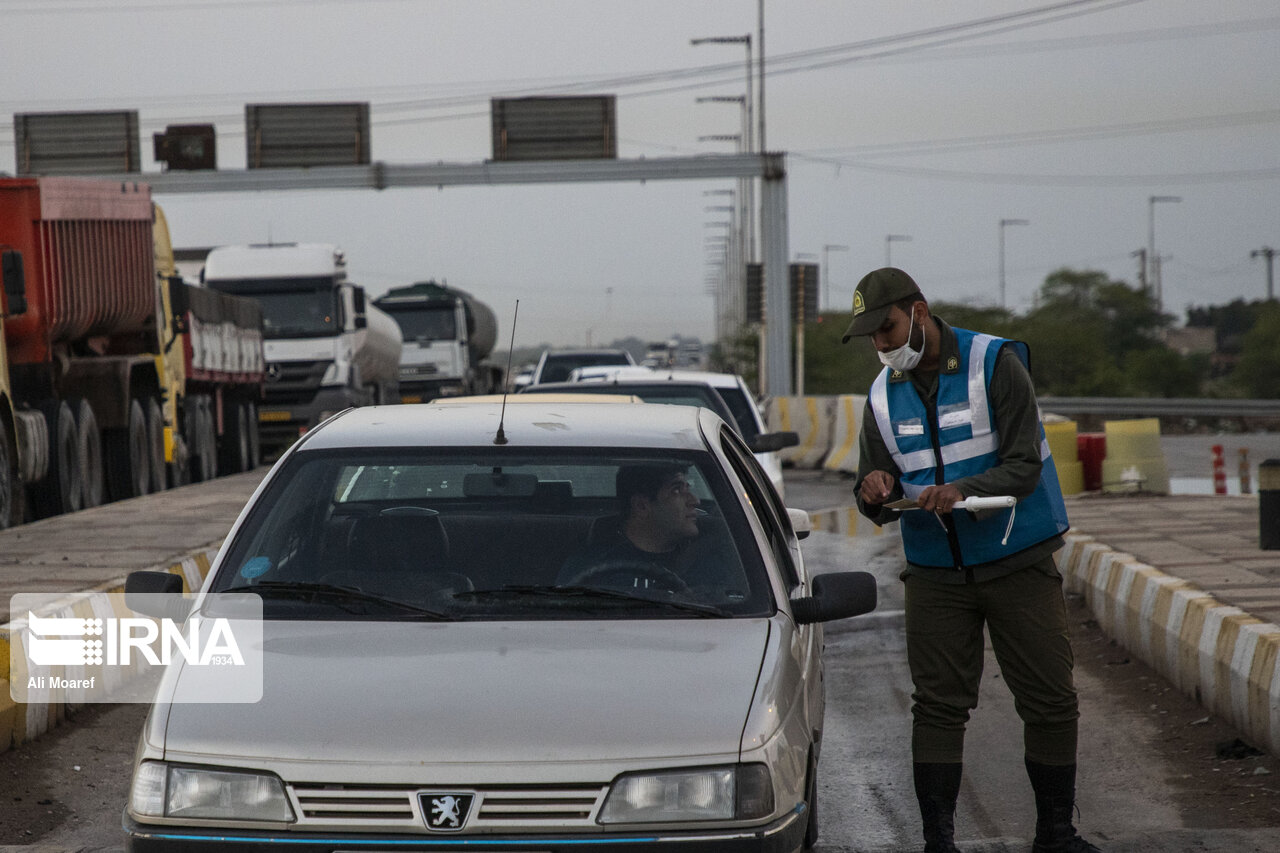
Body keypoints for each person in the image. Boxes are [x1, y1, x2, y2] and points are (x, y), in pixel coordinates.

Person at [843, 267, 1099, 853]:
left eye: (888, 329)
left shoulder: (994, 364)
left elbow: (1024, 465)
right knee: (937, 706)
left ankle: (1056, 834)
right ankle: (939, 842)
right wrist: (874, 489)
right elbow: (870, 489)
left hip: (1016, 558)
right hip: (936, 573)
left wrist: (963, 489)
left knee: (1050, 699)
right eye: (872, 338)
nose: (882, 345)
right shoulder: (882, 395)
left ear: (920, 312)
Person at [556, 463, 734, 597]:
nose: (695, 500)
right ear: (641, 506)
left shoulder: (710, 567)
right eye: (677, 490)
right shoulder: (586, 568)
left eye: (688, 488)